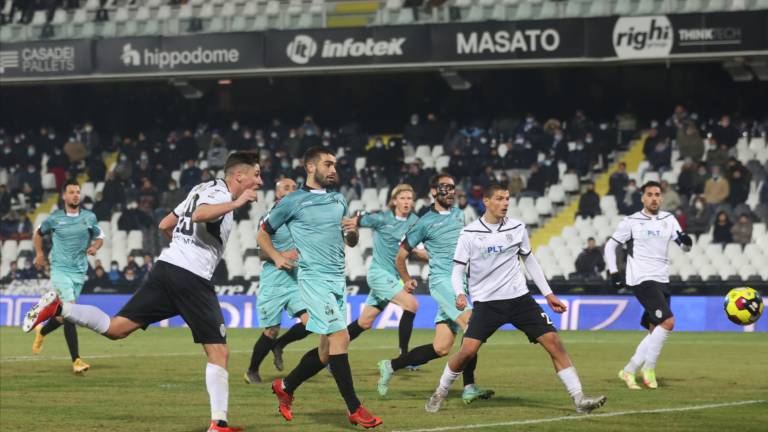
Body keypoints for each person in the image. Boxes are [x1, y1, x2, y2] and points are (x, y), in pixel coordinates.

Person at [22, 152, 263, 432]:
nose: (259, 180)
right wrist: (235, 203)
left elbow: (164, 225)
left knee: (116, 328)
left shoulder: (200, 188)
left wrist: (185, 247)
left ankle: (61, 309)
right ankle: (219, 424)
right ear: (239, 176)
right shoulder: (221, 195)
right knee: (219, 352)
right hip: (191, 277)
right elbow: (199, 215)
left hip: (167, 268)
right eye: (256, 175)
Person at [424, 185, 607, 414]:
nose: (505, 203)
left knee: (554, 343)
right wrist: (459, 293)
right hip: (487, 303)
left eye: (507, 199)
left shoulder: (517, 227)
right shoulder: (469, 234)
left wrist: (548, 294)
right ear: (487, 201)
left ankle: (579, 399)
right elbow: (457, 271)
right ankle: (440, 391)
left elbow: (530, 261)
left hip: (520, 299)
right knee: (467, 352)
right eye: (499, 199)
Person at [262, 147, 382, 428]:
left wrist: (352, 233)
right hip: (313, 279)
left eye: (335, 165)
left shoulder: (339, 200)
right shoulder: (293, 201)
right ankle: (354, 408)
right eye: (327, 164)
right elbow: (262, 233)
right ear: (310, 167)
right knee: (341, 338)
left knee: (328, 351)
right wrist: (277, 256)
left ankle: (286, 386)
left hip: (337, 280)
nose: (333, 170)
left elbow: (349, 241)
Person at [377, 173, 493, 404]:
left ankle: (391, 365)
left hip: (462, 283)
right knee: (472, 326)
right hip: (442, 282)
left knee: (441, 348)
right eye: (445, 187)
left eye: (453, 187)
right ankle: (469, 386)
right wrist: (406, 279)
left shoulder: (459, 215)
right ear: (433, 191)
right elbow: (400, 257)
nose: (451, 191)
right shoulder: (423, 223)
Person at [604, 181, 692, 390]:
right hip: (642, 279)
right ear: (642, 198)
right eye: (650, 194)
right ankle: (649, 369)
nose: (654, 198)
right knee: (668, 322)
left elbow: (685, 246)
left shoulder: (669, 220)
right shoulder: (632, 221)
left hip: (662, 278)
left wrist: (687, 241)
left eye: (657, 194)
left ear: (661, 198)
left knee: (656, 331)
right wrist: (614, 272)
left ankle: (628, 370)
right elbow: (611, 245)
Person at [30, 179, 105, 374]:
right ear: (64, 196)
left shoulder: (89, 217)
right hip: (60, 269)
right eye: (71, 192)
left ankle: (42, 331)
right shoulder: (54, 218)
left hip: (79, 271)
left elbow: (100, 236)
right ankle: (77, 360)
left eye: (78, 192)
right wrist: (39, 254)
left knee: (64, 316)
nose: (75, 195)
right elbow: (38, 234)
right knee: (70, 311)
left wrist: (95, 247)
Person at [341, 184, 424, 357]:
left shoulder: (415, 222)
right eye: (402, 198)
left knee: (364, 322)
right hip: (378, 274)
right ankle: (404, 356)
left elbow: (416, 250)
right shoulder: (382, 218)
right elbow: (357, 219)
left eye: (410, 198)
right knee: (412, 304)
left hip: (393, 277)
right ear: (394, 201)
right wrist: (351, 225)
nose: (406, 201)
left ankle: (329, 353)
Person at [244, 178, 311, 384]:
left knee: (312, 323)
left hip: (296, 281)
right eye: (286, 188)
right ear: (277, 194)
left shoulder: (301, 219)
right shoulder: (270, 218)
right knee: (271, 330)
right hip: (274, 281)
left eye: (294, 187)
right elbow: (261, 254)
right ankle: (252, 371)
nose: (292, 190)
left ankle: (280, 344)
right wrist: (281, 255)